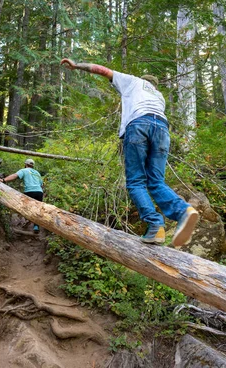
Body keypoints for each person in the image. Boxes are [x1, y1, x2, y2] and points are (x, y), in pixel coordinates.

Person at [60, 58, 199, 247]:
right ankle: (184, 211)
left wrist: (77, 66)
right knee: (157, 182)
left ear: (143, 79)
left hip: (139, 125)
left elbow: (102, 69)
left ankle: (155, 225)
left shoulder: (133, 81)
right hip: (162, 129)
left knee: (135, 182)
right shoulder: (159, 97)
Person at [1, 158, 44, 233]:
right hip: (39, 192)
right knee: (37, 209)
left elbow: (15, 176)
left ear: (25, 164)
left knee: (27, 208)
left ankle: (26, 221)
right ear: (32, 166)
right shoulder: (37, 173)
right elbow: (41, 184)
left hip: (30, 191)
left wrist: (4, 180)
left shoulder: (24, 170)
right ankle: (36, 226)